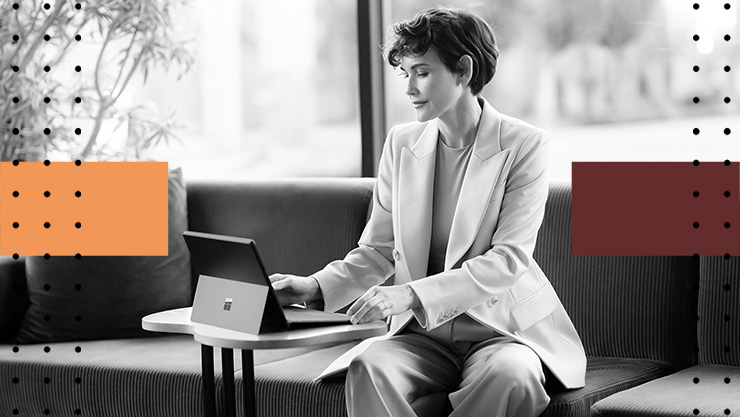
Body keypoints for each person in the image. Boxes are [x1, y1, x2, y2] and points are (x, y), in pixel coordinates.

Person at [270, 7, 586, 417]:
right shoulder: (402, 143)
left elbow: (508, 260)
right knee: (369, 366)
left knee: (512, 377)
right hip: (423, 336)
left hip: (502, 333)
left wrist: (408, 293)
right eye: (406, 74)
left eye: (422, 72)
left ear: (464, 70)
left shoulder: (525, 144)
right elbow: (379, 251)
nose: (409, 88)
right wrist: (312, 287)